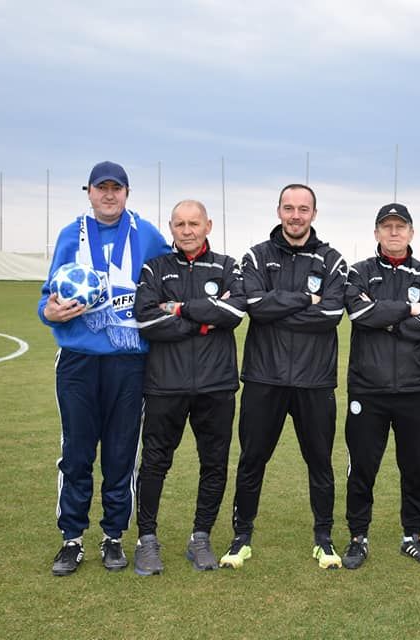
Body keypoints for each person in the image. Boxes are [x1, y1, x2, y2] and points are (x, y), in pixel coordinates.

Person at [38, 161, 170, 576]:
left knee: (120, 452)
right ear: (90, 192)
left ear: (127, 193)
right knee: (76, 452)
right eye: (101, 188)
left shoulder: (147, 235)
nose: (109, 195)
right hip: (78, 360)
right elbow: (47, 297)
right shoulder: (70, 234)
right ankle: (71, 539)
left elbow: (169, 278)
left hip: (128, 362)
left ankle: (113, 536)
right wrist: (49, 313)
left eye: (116, 188)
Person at [220, 184, 348, 570]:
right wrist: (305, 299)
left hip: (314, 380)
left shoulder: (332, 261)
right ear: (278, 211)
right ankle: (241, 537)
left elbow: (330, 315)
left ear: (314, 214)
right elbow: (255, 307)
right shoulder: (256, 256)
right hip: (265, 378)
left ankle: (323, 539)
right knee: (252, 460)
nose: (296, 215)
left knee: (319, 462)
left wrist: (278, 306)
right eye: (289, 208)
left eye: (303, 209)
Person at [132, 200, 248, 575]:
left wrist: (178, 308)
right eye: (179, 224)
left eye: (193, 223)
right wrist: (204, 318)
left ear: (208, 226)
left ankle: (201, 536)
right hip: (165, 385)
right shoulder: (155, 268)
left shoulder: (227, 267)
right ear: (171, 227)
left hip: (216, 385)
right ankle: (146, 540)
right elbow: (147, 321)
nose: (187, 230)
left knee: (213, 463)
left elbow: (234, 312)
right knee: (155, 462)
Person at [340, 203, 420, 570]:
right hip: (367, 389)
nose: (394, 232)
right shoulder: (360, 272)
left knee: (414, 467)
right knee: (362, 467)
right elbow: (359, 314)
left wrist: (384, 316)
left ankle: (412, 536)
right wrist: (409, 310)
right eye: (387, 227)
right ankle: (358, 537)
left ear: (411, 233)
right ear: (377, 233)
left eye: (400, 226)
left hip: (415, 390)